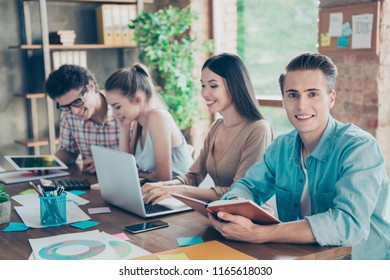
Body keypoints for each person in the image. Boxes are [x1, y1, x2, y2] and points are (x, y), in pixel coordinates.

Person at [209, 52, 390, 260]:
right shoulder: (282, 146)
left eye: (312, 94)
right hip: (304, 259)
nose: (302, 105)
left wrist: (259, 234)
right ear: (284, 100)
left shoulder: (359, 148)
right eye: (293, 94)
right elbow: (249, 186)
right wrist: (231, 208)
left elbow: (348, 225)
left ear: (331, 98)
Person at [142, 53, 273, 206]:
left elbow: (239, 193)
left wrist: (180, 191)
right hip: (219, 216)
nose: (205, 93)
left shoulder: (258, 129)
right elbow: (193, 176)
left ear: (234, 85)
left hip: (251, 222)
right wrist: (163, 186)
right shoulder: (217, 127)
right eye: (203, 85)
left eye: (213, 85)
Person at [104, 63, 193, 182]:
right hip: (157, 192)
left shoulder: (158, 117)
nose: (114, 114)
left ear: (138, 99)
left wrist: (139, 173)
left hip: (180, 194)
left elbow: (163, 177)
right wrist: (124, 127)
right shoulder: (137, 124)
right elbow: (126, 169)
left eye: (118, 107)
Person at [45, 64, 120, 174]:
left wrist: (107, 160)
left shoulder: (120, 108)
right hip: (91, 181)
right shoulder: (68, 115)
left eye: (77, 102)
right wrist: (47, 163)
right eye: (66, 106)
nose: (75, 111)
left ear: (91, 87)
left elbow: (140, 154)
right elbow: (68, 151)